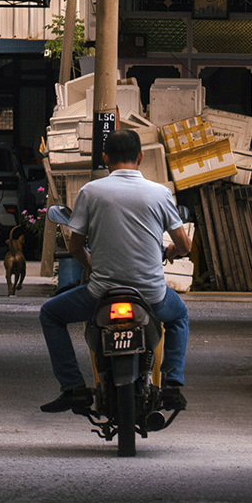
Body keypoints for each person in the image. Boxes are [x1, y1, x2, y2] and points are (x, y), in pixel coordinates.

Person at [38, 126, 192, 414]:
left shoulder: (91, 192)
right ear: (141, 157)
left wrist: (91, 265)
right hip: (151, 295)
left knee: (50, 314)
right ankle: (173, 383)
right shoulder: (160, 193)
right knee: (179, 316)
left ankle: (73, 387)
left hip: (101, 293)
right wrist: (172, 251)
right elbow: (184, 246)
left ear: (105, 157)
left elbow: (75, 246)